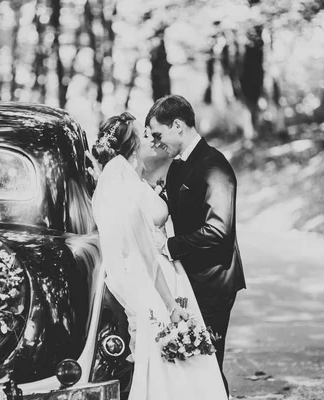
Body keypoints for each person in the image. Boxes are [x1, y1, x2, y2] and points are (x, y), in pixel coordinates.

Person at [91, 112, 227, 400]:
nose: (148, 140)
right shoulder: (129, 189)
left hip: (156, 277)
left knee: (174, 360)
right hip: (158, 281)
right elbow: (146, 253)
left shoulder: (123, 184)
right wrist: (170, 305)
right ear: (129, 145)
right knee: (174, 361)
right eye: (141, 135)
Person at [145, 95, 246, 396]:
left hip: (214, 282)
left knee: (209, 364)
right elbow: (167, 206)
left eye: (158, 134)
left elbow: (219, 231)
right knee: (193, 366)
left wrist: (171, 247)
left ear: (177, 125)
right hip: (189, 281)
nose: (156, 142)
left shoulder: (215, 166)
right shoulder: (177, 168)